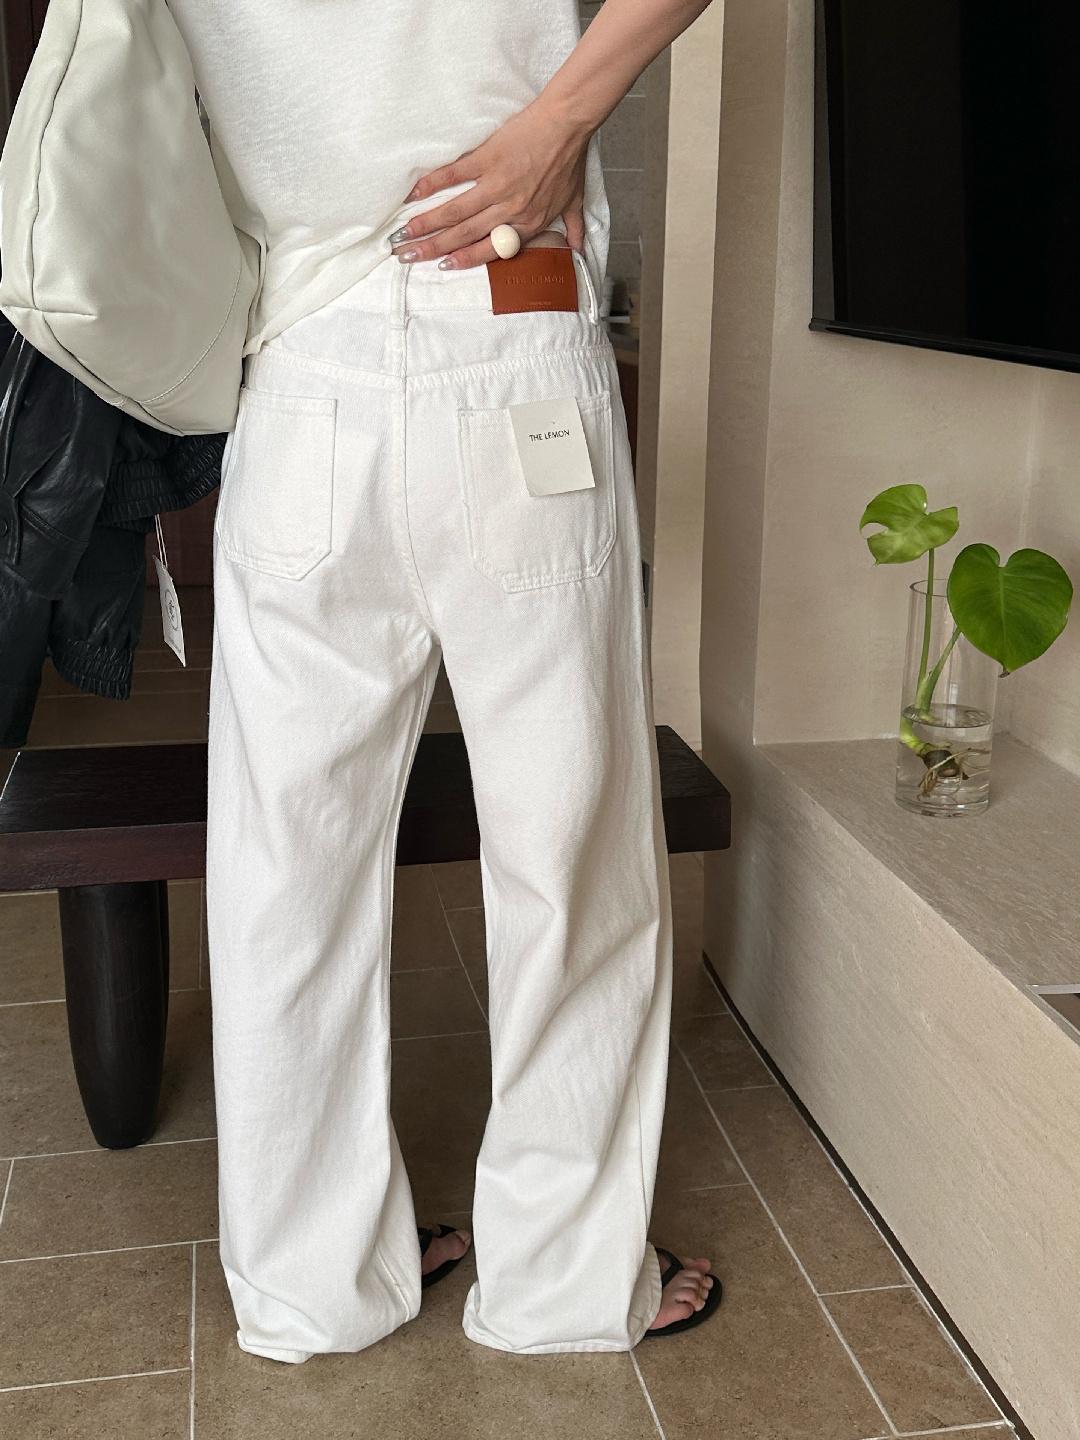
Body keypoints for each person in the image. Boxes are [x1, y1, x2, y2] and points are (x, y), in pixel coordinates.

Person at [168, 0, 721, 1363]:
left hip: (300, 369)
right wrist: (560, 120)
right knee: (567, 848)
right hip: (509, 323)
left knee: (284, 864)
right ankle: (561, 1282)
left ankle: (308, 1284)